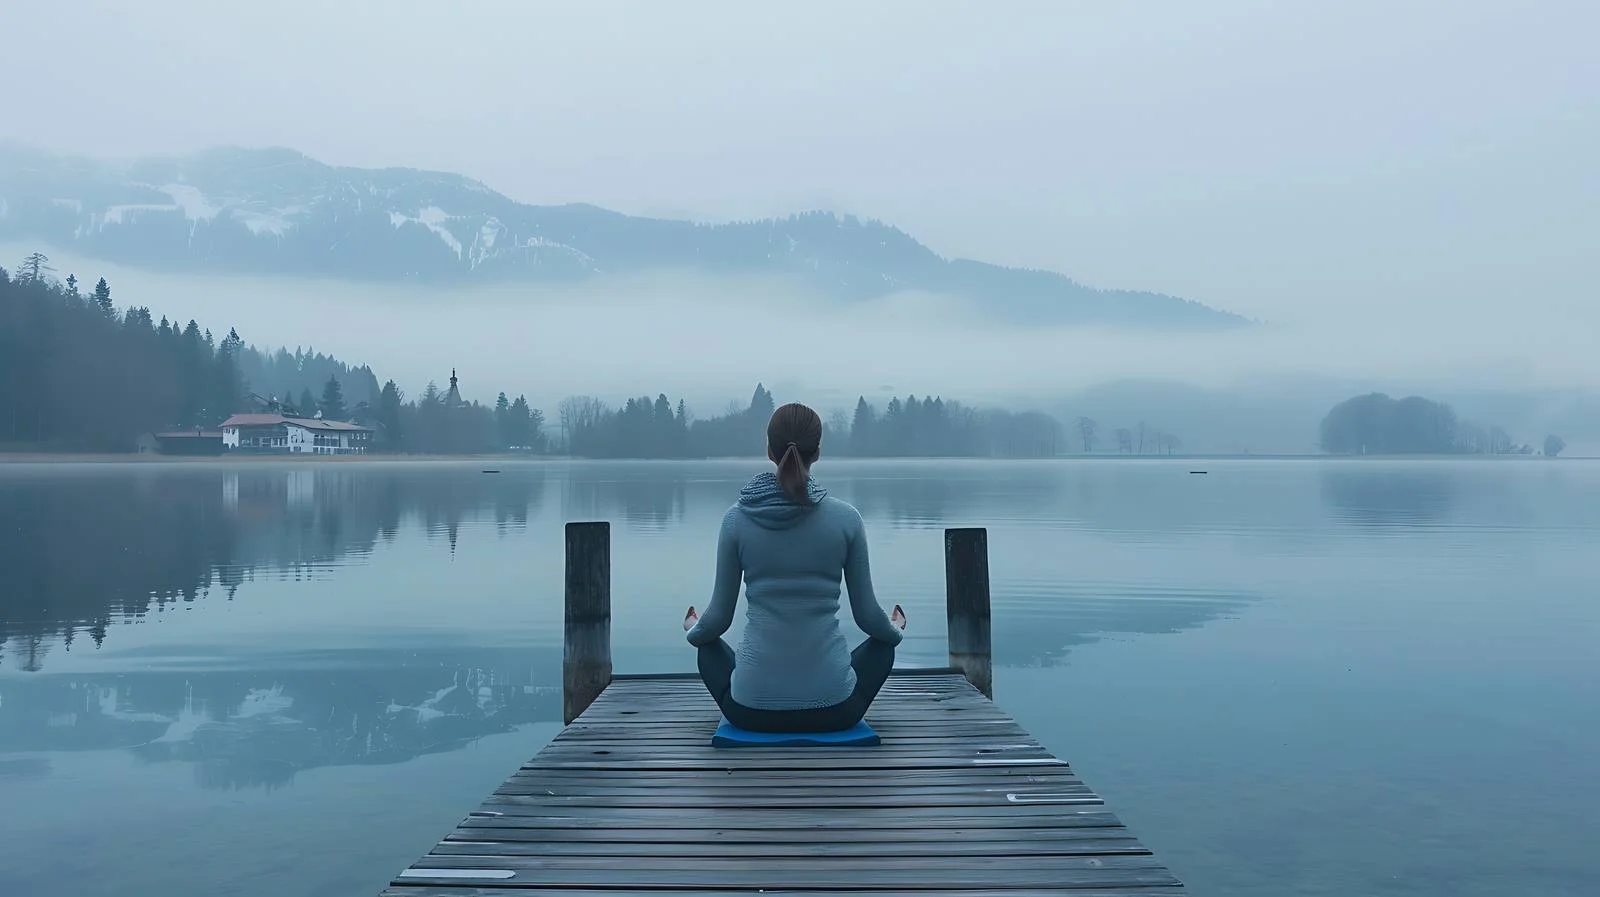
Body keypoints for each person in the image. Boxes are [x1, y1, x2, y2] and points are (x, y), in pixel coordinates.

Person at [684, 401, 907, 733]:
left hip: (749, 711)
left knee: (707, 648)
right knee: (883, 646)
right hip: (835, 709)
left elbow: (717, 621)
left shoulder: (736, 521)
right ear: (816, 452)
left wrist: (693, 630)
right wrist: (895, 630)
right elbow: (868, 618)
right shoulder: (847, 520)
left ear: (770, 451)